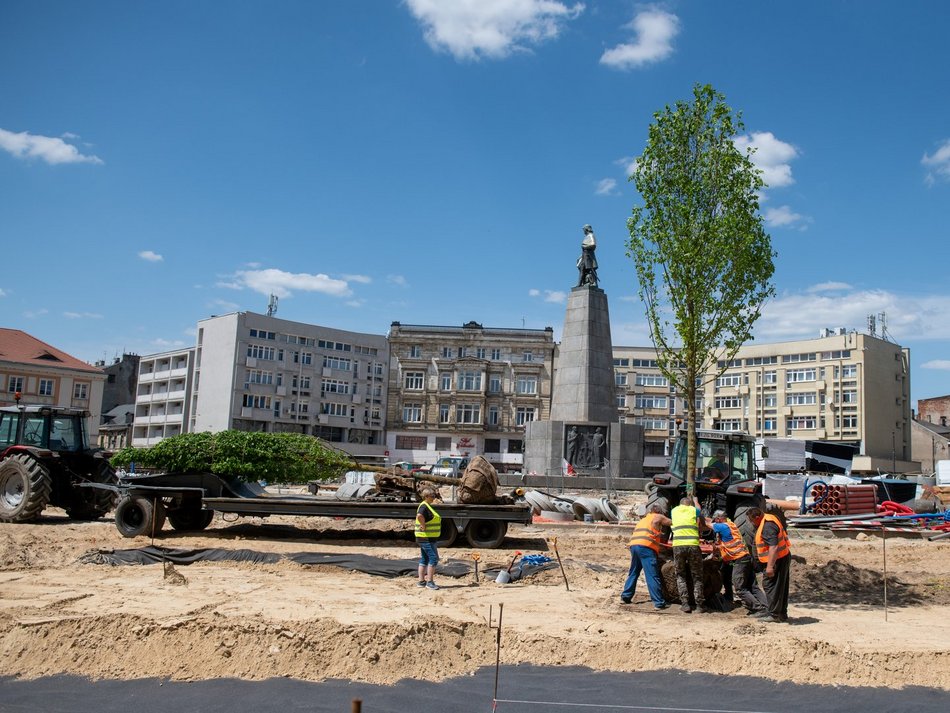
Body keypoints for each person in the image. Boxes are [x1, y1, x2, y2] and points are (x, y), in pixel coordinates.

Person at [710, 510, 767, 616]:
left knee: (740, 588)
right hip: (745, 557)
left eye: (716, 520)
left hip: (740, 560)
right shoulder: (731, 524)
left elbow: (706, 524)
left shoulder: (722, 526)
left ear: (718, 519)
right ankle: (767, 607)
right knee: (752, 586)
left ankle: (758, 609)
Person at [620, 504, 671, 609]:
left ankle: (626, 596)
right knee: (652, 574)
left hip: (634, 546)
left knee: (634, 572)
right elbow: (671, 522)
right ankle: (658, 603)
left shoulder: (643, 520)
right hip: (646, 548)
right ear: (659, 512)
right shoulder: (657, 516)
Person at [750, 507, 792, 622]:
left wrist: (769, 566)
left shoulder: (767, 526)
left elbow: (773, 547)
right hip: (782, 557)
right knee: (780, 586)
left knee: (770, 586)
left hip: (776, 560)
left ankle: (774, 615)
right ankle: (781, 613)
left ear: (757, 517)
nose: (752, 523)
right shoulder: (770, 518)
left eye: (752, 520)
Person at [670, 496, 710, 613]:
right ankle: (699, 605)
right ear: (689, 504)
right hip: (693, 545)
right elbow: (699, 510)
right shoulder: (693, 510)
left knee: (680, 575)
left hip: (677, 546)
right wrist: (696, 501)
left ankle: (685, 604)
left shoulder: (674, 511)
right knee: (697, 576)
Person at [415, 488, 442, 590]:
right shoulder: (423, 506)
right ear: (426, 496)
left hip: (427, 538)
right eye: (432, 496)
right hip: (425, 538)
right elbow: (419, 515)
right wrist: (423, 525)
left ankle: (421, 582)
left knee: (425, 559)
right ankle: (429, 582)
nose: (433, 498)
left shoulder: (426, 506)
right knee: (433, 559)